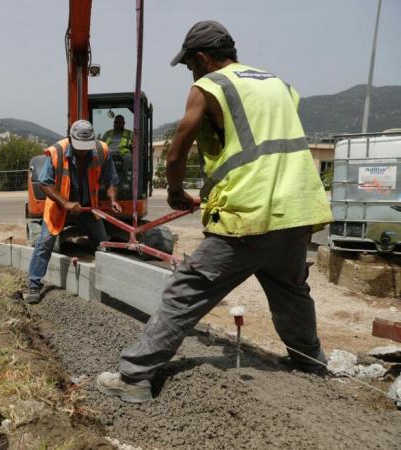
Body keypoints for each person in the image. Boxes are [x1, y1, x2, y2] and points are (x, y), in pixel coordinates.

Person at [96, 20, 333, 403]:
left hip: (249, 214)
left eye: (191, 65)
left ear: (203, 58)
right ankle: (311, 364)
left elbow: (177, 149)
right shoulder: (280, 85)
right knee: (291, 292)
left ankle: (134, 377)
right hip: (299, 210)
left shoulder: (210, 86)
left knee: (185, 291)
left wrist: (175, 191)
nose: (191, 73)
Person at [24, 120, 122, 304]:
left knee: (103, 243)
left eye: (87, 147)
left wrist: (113, 199)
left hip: (87, 206)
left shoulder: (102, 150)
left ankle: (112, 284)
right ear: (71, 139)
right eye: (80, 148)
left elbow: (112, 180)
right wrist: (66, 203)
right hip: (59, 206)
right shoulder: (57, 152)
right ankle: (33, 285)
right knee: (45, 243)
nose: (84, 151)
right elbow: (45, 183)